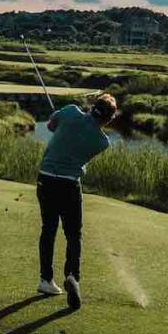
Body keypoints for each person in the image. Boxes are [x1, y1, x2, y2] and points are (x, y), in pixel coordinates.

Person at [36, 93, 118, 309]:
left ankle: (46, 280)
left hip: (45, 178)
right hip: (68, 185)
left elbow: (51, 126)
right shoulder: (102, 142)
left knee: (49, 229)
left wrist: (59, 118)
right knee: (73, 235)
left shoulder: (71, 111)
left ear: (92, 107)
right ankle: (72, 275)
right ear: (108, 119)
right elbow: (81, 159)